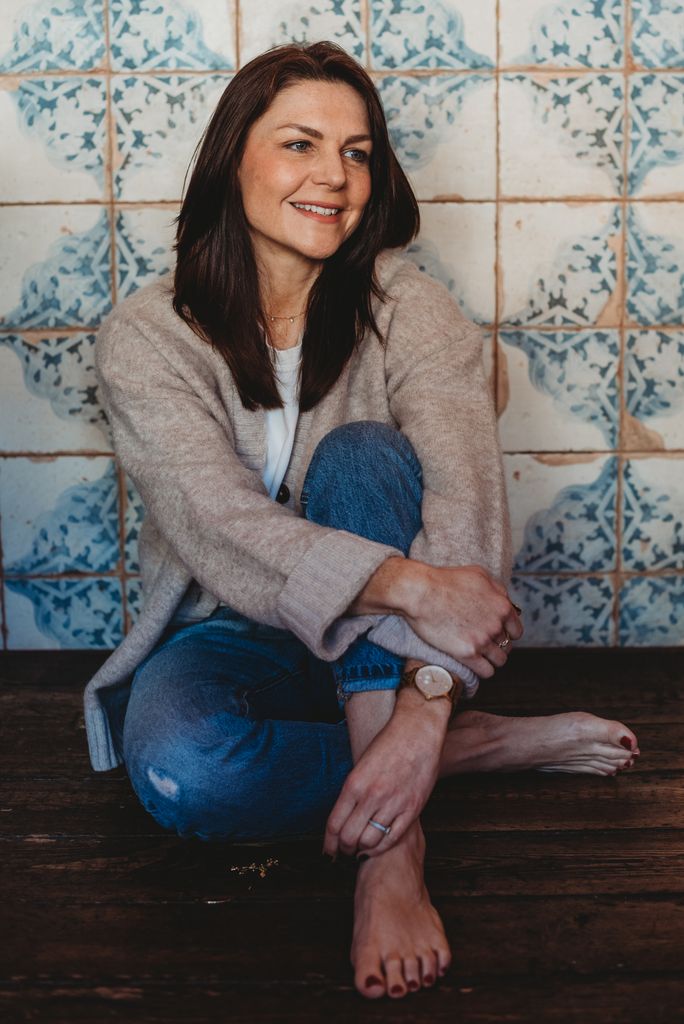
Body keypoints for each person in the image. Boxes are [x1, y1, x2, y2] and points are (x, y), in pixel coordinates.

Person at [83, 41, 639, 1001]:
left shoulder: (409, 311)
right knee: (183, 771)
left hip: (392, 651)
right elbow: (216, 524)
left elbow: (467, 500)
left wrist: (427, 699)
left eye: (358, 152)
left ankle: (393, 850)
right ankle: (484, 748)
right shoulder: (148, 334)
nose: (334, 177)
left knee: (363, 458)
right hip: (234, 636)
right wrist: (415, 589)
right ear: (234, 160)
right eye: (300, 143)